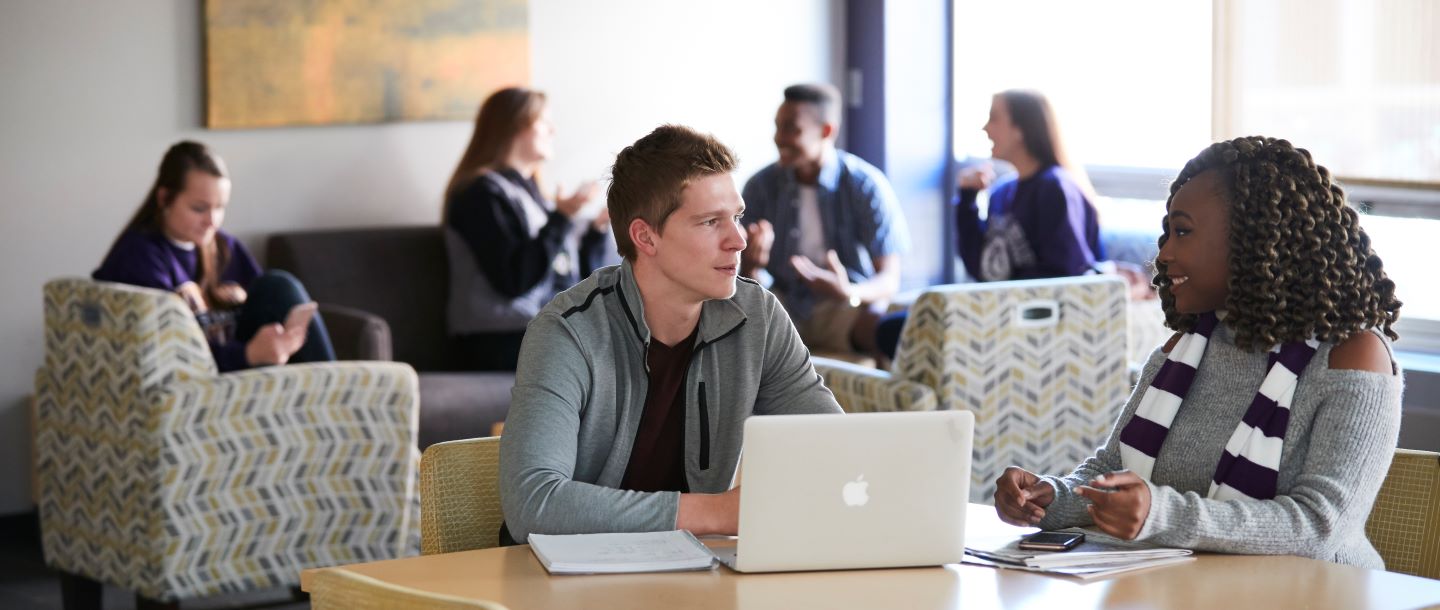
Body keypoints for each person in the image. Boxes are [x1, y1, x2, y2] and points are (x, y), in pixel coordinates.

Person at [993, 136, 1403, 568]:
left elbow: (1320, 527)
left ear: (1256, 238)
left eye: (1183, 231)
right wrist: (1046, 498)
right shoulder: (1186, 346)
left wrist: (1159, 513)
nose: (1164, 253)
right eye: (1168, 232)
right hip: (1192, 589)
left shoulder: (1352, 356)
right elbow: (1112, 471)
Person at [498, 125, 843, 543]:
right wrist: (719, 512)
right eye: (711, 221)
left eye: (736, 216)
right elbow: (533, 506)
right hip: (567, 584)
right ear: (646, 237)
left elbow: (834, 448)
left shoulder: (758, 315)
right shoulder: (566, 332)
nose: (737, 240)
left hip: (692, 571)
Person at [876, 89, 1132, 360]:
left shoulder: (1055, 188)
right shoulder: (1003, 192)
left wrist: (992, 300)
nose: (985, 128)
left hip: (1034, 322)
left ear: (1020, 129)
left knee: (898, 331)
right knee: (897, 327)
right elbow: (981, 267)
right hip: (1000, 311)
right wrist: (967, 199)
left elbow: (1067, 274)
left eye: (993, 118)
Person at [94, 140, 335, 372]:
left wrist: (279, 343)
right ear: (165, 198)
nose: (212, 221)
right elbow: (164, 354)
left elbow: (266, 307)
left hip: (239, 367)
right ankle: (338, 396)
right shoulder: (139, 256)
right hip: (196, 375)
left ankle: (336, 391)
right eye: (199, 208)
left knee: (278, 286)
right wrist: (248, 354)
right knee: (278, 285)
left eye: (220, 207)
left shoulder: (224, 246)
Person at [443, 86, 611, 371]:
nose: (553, 130)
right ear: (516, 125)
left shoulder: (536, 196)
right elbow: (514, 280)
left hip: (537, 330)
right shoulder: (480, 194)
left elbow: (567, 278)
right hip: (496, 338)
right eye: (544, 122)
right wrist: (561, 218)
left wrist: (595, 231)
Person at [740, 83, 910, 358]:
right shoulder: (760, 187)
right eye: (777, 127)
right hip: (781, 305)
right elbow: (744, 283)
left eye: (791, 129)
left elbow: (889, 278)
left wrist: (848, 291)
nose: (779, 138)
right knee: (744, 317)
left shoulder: (864, 185)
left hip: (841, 307)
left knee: (885, 326)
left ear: (826, 131)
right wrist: (750, 265)